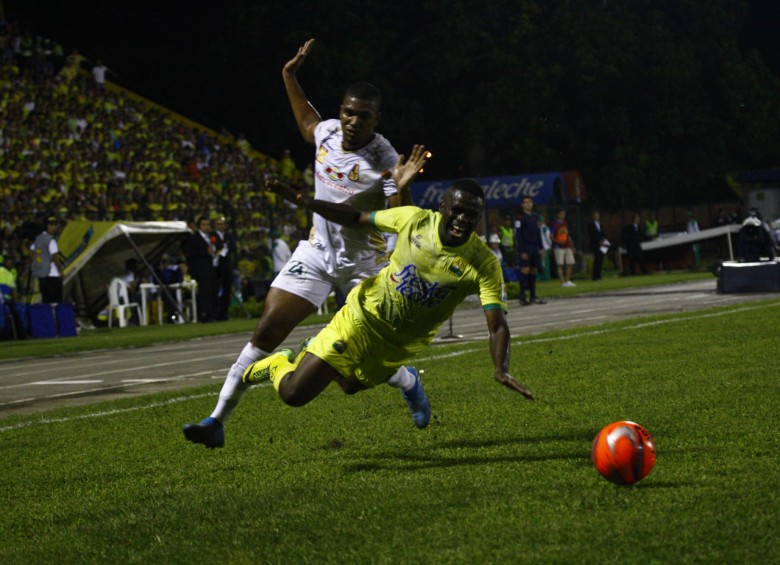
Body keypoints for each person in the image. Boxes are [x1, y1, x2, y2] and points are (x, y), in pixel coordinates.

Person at [183, 38, 427, 448]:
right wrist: (289, 74)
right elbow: (307, 120)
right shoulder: (328, 133)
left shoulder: (386, 160)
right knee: (266, 330)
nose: (352, 120)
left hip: (363, 266)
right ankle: (215, 420)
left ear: (376, 120)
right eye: (348, 111)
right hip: (316, 254)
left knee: (358, 367)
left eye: (362, 116)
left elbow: (400, 216)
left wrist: (400, 188)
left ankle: (407, 380)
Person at [239, 178, 533, 424]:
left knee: (349, 385)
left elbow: (497, 326)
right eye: (457, 210)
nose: (462, 219)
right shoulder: (414, 220)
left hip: (398, 345)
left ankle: (406, 379)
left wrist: (501, 367)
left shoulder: (483, 263)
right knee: (294, 395)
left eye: (471, 215)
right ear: (442, 207)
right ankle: (279, 364)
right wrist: (306, 202)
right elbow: (357, 217)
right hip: (361, 317)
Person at [184, 216, 218, 322]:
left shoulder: (212, 236)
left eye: (208, 224)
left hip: (211, 268)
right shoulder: (194, 238)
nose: (206, 227)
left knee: (212, 292)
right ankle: (204, 315)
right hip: (200, 270)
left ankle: (212, 314)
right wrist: (205, 252)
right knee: (204, 293)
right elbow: (190, 254)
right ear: (199, 226)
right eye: (204, 224)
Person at [514, 196, 546, 305]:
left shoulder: (536, 217)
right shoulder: (520, 218)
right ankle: (522, 296)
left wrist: (541, 247)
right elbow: (518, 236)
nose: (528, 204)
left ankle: (533, 296)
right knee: (525, 270)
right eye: (526, 202)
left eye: (530, 202)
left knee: (533, 270)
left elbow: (538, 233)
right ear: (522, 205)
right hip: (525, 247)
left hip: (535, 247)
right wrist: (521, 251)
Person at [30, 216, 64, 303]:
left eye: (55, 225)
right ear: (46, 226)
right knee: (56, 301)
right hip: (53, 275)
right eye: (51, 225)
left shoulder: (39, 238)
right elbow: (55, 258)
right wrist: (61, 271)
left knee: (46, 301)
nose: (54, 227)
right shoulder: (51, 240)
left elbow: (32, 251)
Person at [212, 216, 234, 321]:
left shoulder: (229, 236)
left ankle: (224, 313)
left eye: (223, 224)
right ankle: (216, 313)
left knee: (227, 289)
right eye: (219, 224)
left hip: (227, 266)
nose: (221, 226)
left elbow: (233, 247)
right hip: (217, 267)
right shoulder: (212, 235)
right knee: (216, 290)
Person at [551, 209, 576, 287]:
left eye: (564, 214)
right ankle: (562, 282)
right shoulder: (554, 224)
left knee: (571, 262)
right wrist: (557, 242)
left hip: (567, 245)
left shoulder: (566, 224)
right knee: (560, 264)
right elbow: (551, 236)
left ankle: (567, 280)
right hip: (558, 246)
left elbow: (567, 235)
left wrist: (572, 246)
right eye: (561, 214)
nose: (563, 216)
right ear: (558, 215)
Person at [587, 211, 609, 281]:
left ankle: (599, 275)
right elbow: (592, 234)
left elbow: (603, 234)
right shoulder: (590, 224)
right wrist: (599, 241)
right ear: (593, 216)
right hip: (595, 244)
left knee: (601, 259)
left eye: (598, 215)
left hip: (602, 244)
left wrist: (603, 241)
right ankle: (595, 276)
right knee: (597, 259)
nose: (597, 216)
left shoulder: (601, 224)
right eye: (595, 215)